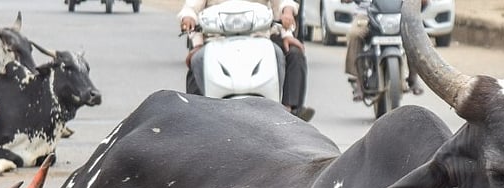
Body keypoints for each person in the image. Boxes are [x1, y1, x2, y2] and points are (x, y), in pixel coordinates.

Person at [179, 0, 315, 121]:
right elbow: (191, 8)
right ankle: (195, 117)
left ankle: (290, 114)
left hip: (260, 36)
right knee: (196, 61)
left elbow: (283, 3)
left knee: (293, 53)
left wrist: (287, 15)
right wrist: (188, 20)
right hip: (216, 38)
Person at [342, 0, 423, 101]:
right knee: (354, 34)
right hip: (366, 14)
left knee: (413, 33)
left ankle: (413, 75)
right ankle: (357, 80)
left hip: (397, 13)